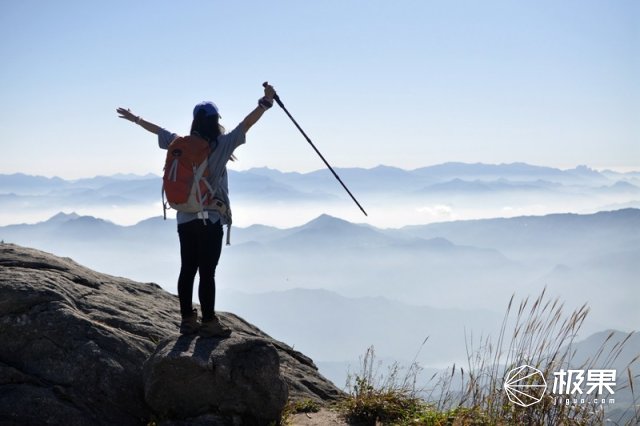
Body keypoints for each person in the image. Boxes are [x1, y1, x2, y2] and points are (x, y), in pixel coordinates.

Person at [116, 82, 276, 337]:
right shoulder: (221, 146)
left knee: (187, 268)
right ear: (215, 122)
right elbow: (246, 124)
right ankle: (209, 322)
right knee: (207, 273)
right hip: (210, 219)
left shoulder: (179, 144)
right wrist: (265, 103)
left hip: (184, 217)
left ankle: (187, 320)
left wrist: (136, 119)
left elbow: (158, 130)